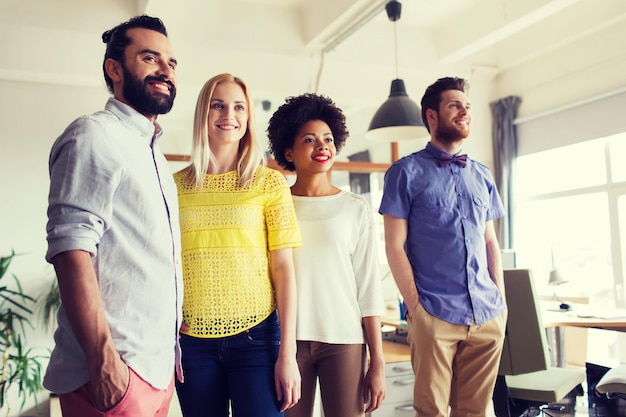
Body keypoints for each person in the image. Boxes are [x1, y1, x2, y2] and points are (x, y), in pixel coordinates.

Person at [44, 15, 183, 417]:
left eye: (171, 63)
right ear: (115, 68)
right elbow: (71, 250)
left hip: (156, 371)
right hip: (113, 371)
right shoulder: (93, 135)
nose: (165, 70)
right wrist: (104, 360)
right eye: (150, 58)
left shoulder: (152, 151)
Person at [173, 73, 302, 417]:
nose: (228, 115)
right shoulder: (174, 187)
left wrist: (288, 353)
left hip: (257, 340)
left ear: (247, 118)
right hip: (191, 343)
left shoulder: (271, 183)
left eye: (238, 107)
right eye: (218, 105)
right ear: (204, 113)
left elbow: (284, 269)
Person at [379, 77, 507, 417]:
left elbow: (490, 242)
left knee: (476, 413)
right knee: (431, 411)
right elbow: (394, 246)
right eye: (455, 105)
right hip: (434, 312)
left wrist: (502, 302)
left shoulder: (482, 174)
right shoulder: (404, 173)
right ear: (431, 116)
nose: (464, 111)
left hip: (487, 312)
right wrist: (417, 310)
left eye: (467, 106)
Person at [267, 93, 386, 417]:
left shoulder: (356, 209)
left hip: (345, 340)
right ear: (288, 151)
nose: (322, 146)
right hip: (285, 342)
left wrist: (377, 361)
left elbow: (369, 289)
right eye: (309, 139)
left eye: (328, 139)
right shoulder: (274, 204)